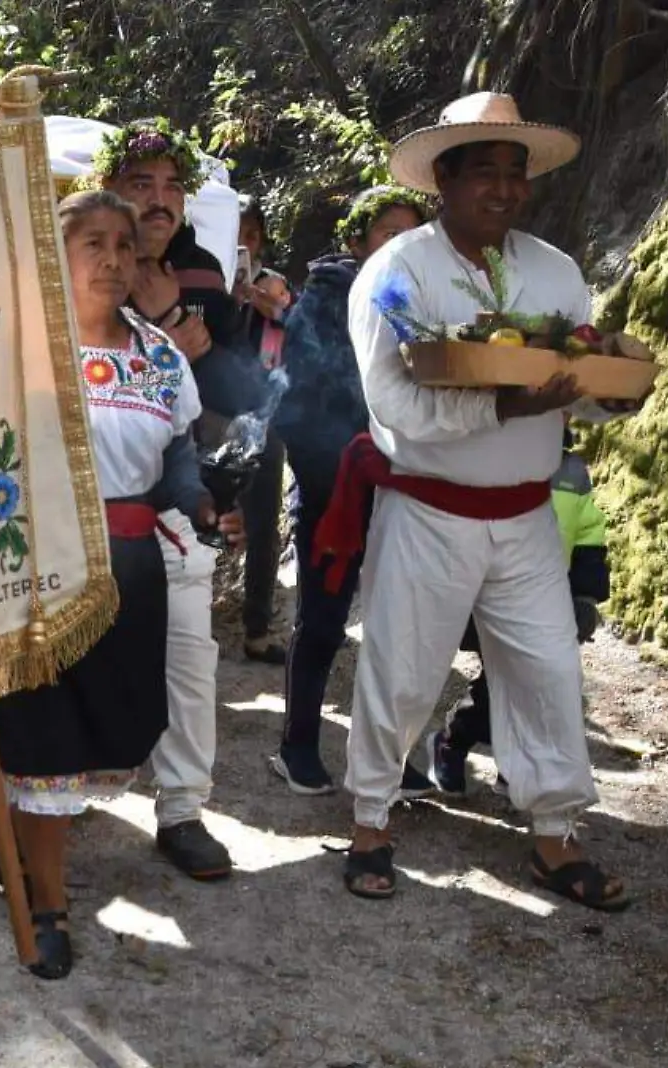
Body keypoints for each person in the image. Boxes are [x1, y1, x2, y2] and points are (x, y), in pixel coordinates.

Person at [321, 92, 635, 908]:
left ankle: (555, 832)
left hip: (528, 515)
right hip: (429, 510)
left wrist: (612, 397)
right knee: (402, 668)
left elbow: (575, 377)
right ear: (443, 181)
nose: (502, 188)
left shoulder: (556, 270)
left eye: (514, 172)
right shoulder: (397, 271)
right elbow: (393, 402)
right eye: (483, 171)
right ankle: (369, 822)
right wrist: (501, 407)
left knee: (547, 669)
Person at [0, 189, 240, 979]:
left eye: (124, 246)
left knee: (107, 730)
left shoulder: (159, 355)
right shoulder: (17, 346)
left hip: (130, 569)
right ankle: (48, 904)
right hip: (38, 563)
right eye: (90, 242)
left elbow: (173, 458)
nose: (112, 259)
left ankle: (23, 847)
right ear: (53, 259)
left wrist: (198, 497)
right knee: (44, 738)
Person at [91, 119, 241, 880]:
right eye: (138, 187)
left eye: (170, 187)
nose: (157, 203)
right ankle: (50, 795)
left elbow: (209, 412)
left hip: (167, 523)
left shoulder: (198, 284)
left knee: (187, 661)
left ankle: (182, 809)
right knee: (69, 661)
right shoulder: (55, 310)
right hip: (77, 526)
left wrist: (199, 501)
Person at [269, 185, 432, 796]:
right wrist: (331, 476)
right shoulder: (322, 302)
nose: (402, 244)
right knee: (324, 622)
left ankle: (393, 751)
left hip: (406, 488)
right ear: (359, 240)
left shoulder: (421, 305)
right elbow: (296, 400)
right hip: (331, 487)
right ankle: (298, 744)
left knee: (400, 626)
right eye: (389, 233)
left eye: (412, 233)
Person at [428, 424, 611, 796]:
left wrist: (586, 595)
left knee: (533, 687)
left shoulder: (571, 470)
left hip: (547, 599)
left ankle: (514, 767)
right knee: (506, 685)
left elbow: (589, 531)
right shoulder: (494, 454)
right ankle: (453, 741)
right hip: (488, 594)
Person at [230, 197, 290, 663]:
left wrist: (275, 308)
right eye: (236, 233)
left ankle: (257, 627)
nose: (243, 243)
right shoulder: (202, 281)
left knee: (263, 524)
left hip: (263, 418)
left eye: (251, 235)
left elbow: (299, 327)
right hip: (209, 417)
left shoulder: (278, 288)